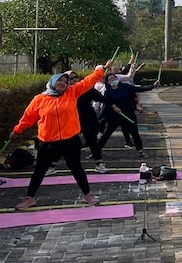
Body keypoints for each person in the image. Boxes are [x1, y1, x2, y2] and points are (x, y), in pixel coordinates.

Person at [9, 60, 113, 211]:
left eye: (65, 81)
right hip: (47, 142)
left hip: (70, 140)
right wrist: (17, 131)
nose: (63, 83)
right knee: (39, 171)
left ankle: (87, 195)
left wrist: (101, 69)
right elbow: (28, 118)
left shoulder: (72, 92)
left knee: (77, 168)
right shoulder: (39, 99)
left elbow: (88, 81)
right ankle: (29, 198)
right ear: (52, 82)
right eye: (60, 81)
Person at [46, 70, 110, 176]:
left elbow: (102, 99)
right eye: (71, 78)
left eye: (76, 77)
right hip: (70, 121)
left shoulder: (85, 89)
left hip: (87, 119)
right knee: (63, 143)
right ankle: (51, 166)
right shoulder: (62, 92)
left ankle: (99, 164)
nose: (74, 80)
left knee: (92, 141)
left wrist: (113, 106)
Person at [97, 72, 158, 159]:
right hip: (115, 115)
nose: (113, 80)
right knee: (107, 133)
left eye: (114, 78)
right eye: (110, 79)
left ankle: (140, 150)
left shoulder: (125, 86)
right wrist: (114, 107)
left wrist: (152, 86)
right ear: (107, 82)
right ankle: (96, 151)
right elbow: (107, 101)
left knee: (134, 133)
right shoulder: (108, 91)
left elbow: (138, 89)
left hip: (129, 114)